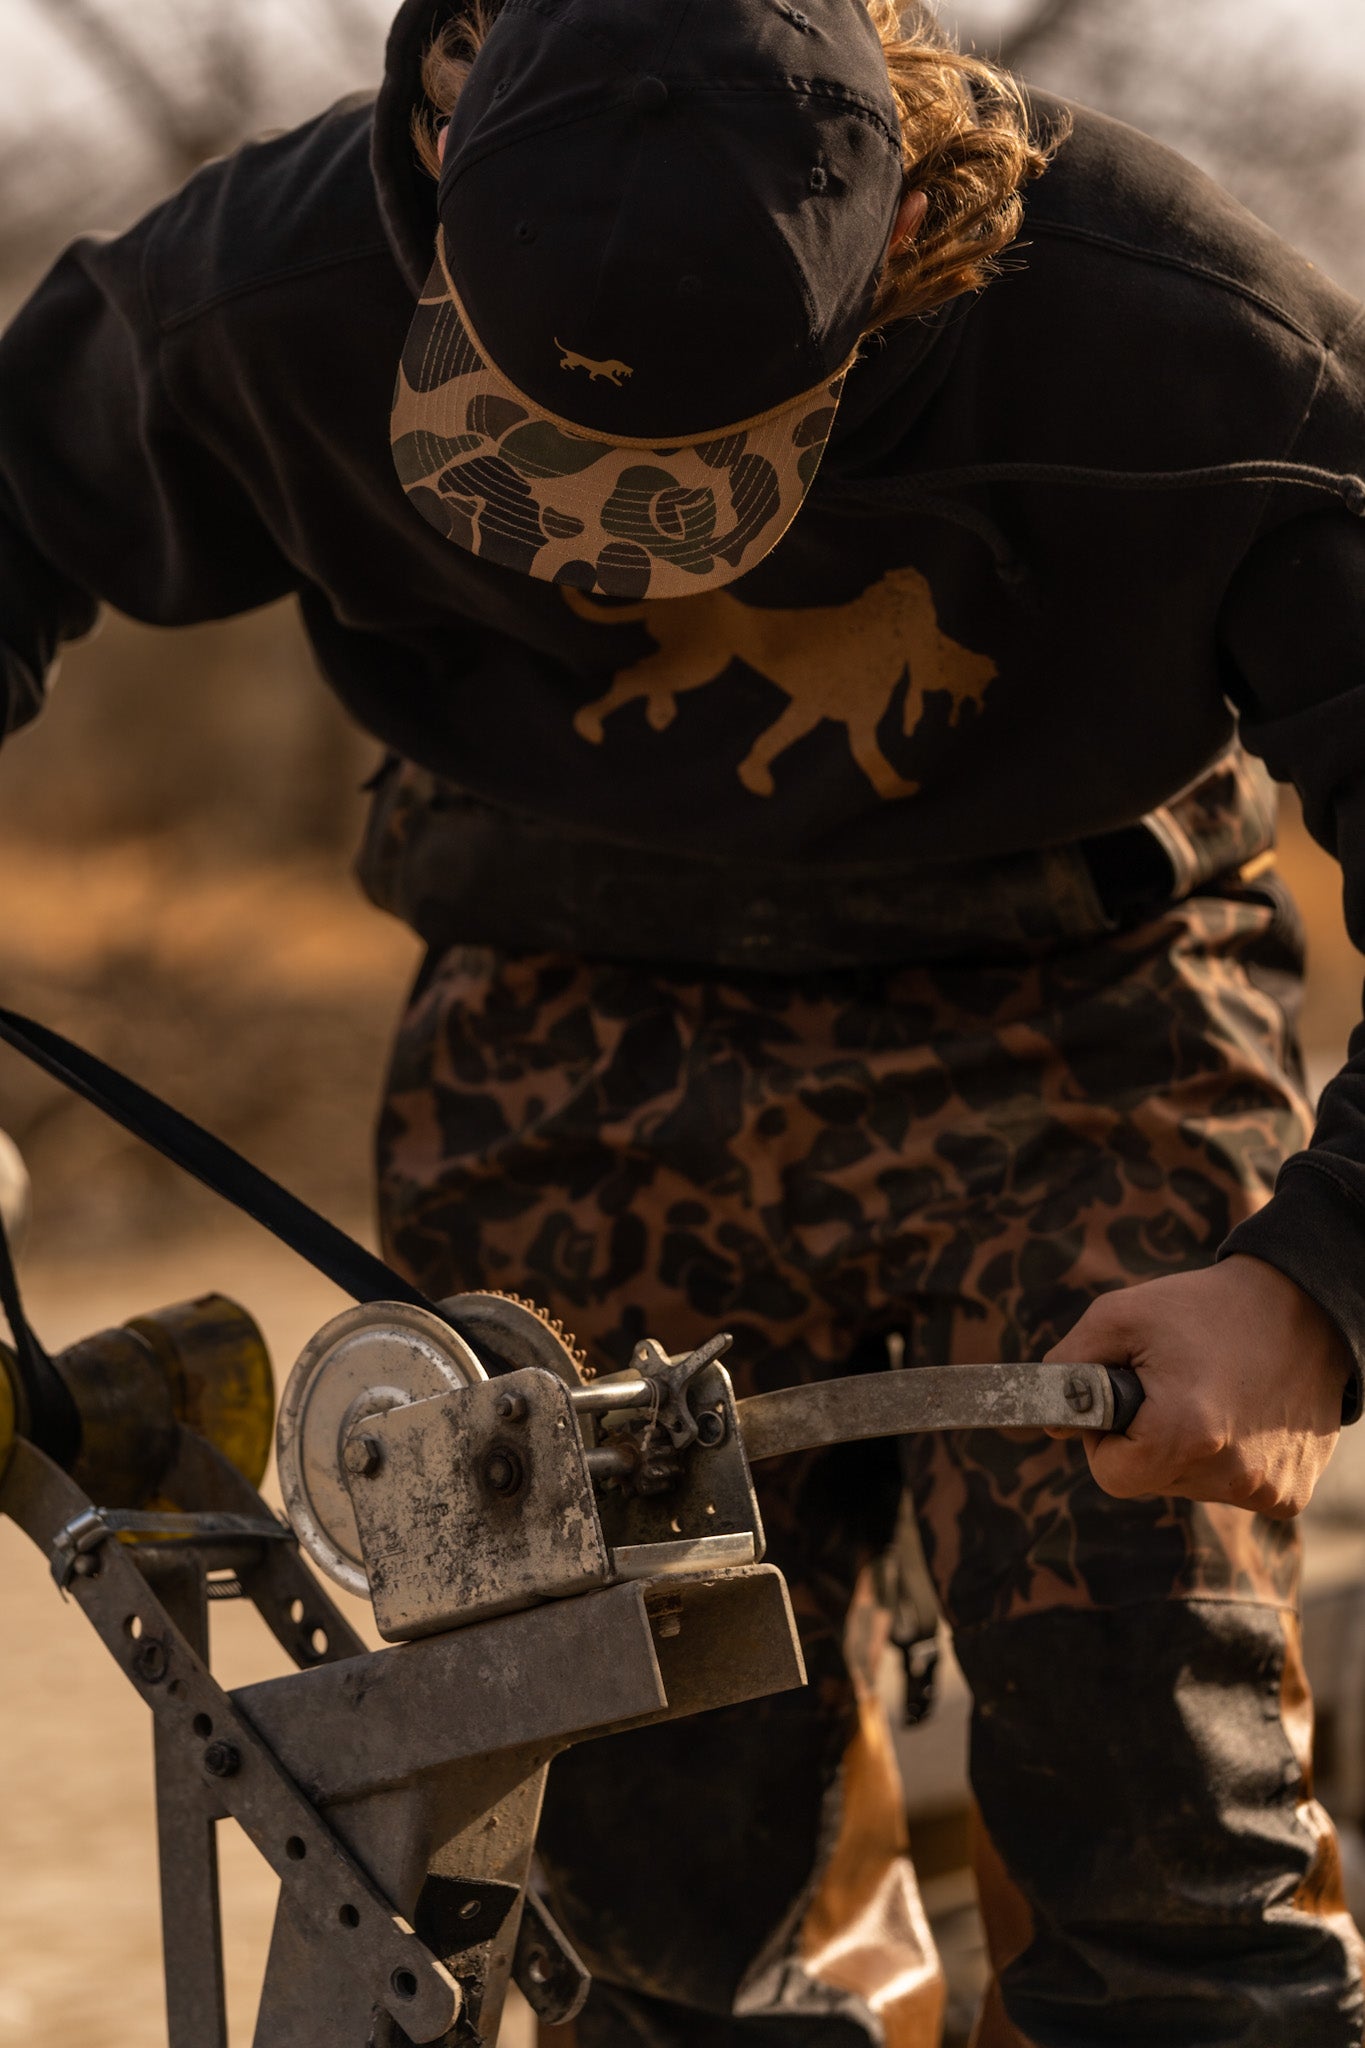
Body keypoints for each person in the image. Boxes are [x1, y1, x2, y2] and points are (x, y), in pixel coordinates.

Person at [2, 0, 1364, 2039]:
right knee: (640, 1879)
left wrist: (1315, 1285)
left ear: (893, 258)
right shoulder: (254, 292)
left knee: (1154, 1792)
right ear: (448, 170)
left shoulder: (1197, 353)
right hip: (562, 1008)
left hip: (1071, 1016)